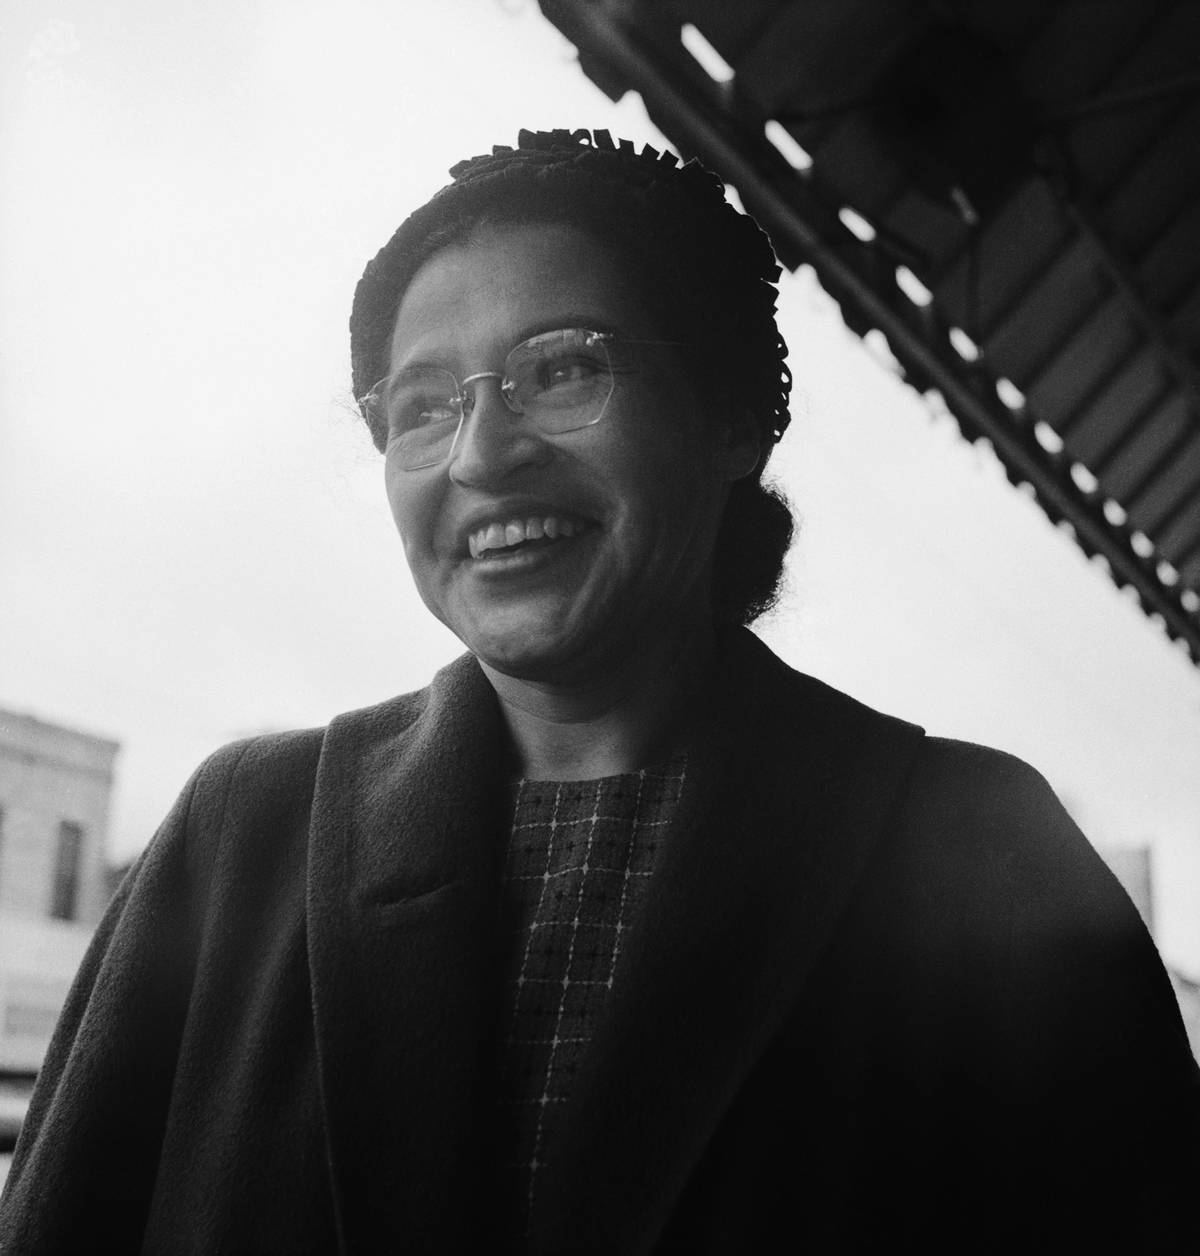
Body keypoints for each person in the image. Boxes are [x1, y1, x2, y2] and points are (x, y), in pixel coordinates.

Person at [1, 127, 1197, 1254]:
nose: (483, 453)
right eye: (423, 407)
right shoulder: (239, 836)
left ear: (730, 418)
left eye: (563, 367)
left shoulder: (986, 848)